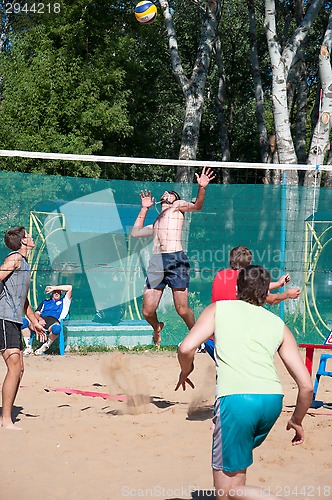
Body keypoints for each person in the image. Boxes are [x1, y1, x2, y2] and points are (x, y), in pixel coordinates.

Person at [176, 265, 313, 500]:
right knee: (235, 477)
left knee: (226, 492)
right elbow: (307, 386)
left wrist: (185, 370)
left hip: (237, 401)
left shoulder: (218, 309)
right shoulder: (277, 324)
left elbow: (185, 348)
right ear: (265, 293)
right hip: (271, 402)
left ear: (237, 287)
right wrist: (296, 420)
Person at [131, 166, 215, 347]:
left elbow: (197, 206)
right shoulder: (157, 222)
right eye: (165, 194)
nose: (166, 194)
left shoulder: (176, 208)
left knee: (182, 309)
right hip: (157, 262)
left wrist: (202, 188)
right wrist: (144, 209)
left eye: (170, 193)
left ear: (175, 199)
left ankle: (201, 339)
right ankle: (157, 326)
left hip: (175, 258)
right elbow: (135, 232)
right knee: (147, 311)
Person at [204, 245, 301, 360]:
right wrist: (287, 295)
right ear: (249, 265)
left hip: (211, 340)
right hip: (233, 342)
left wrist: (278, 284)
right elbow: (272, 300)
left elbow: (249, 286)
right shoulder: (245, 279)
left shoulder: (221, 275)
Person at [0, 226, 46, 430]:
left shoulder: (24, 263)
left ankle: (6, 417)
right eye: (29, 235)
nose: (32, 236)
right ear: (23, 241)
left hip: (12, 318)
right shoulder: (15, 258)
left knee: (19, 369)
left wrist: (34, 320)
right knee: (15, 367)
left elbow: (23, 299)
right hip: (3, 317)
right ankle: (6, 419)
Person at [22, 284, 72, 356]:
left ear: (61, 293)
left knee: (57, 329)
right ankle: (28, 347)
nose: (56, 293)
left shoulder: (64, 302)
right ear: (52, 293)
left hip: (53, 321)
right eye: (54, 292)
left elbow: (70, 288)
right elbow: (37, 313)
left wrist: (54, 288)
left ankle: (45, 346)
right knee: (24, 321)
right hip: (41, 320)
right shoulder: (45, 302)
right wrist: (39, 319)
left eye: (58, 291)